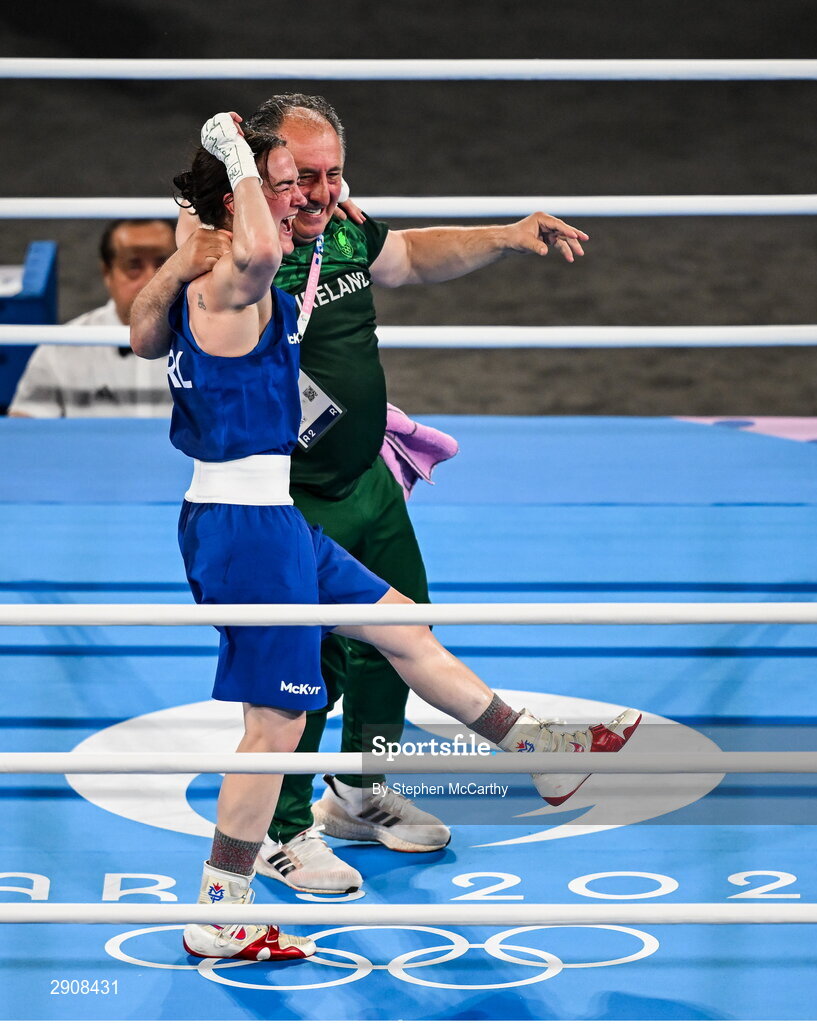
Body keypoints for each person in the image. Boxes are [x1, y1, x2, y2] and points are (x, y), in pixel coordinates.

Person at [130, 111, 640, 963]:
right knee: (276, 729)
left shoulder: (213, 268)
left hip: (264, 515)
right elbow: (247, 251)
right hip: (247, 524)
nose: (306, 196)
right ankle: (222, 909)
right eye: (287, 182)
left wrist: (236, 212)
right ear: (243, 199)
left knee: (401, 627)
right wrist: (231, 156)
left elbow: (146, 332)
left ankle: (537, 754)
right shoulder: (232, 274)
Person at [8, 219, 177, 417]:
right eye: (134, 266)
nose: (151, 279)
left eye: (163, 266)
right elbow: (25, 431)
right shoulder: (61, 348)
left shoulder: (208, 341)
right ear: (107, 273)